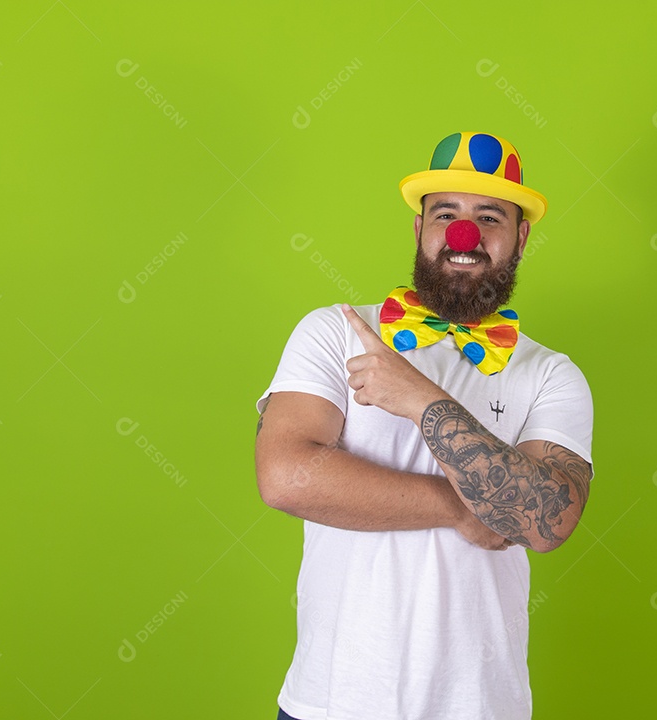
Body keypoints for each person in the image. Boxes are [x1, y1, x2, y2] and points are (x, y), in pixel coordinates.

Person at [255, 131, 594, 720]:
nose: (465, 234)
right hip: (331, 703)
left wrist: (422, 401)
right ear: (419, 229)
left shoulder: (551, 375)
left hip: (483, 707)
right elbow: (286, 477)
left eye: (490, 216)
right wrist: (467, 506)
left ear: (521, 236)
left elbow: (546, 521)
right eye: (446, 213)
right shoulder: (336, 331)